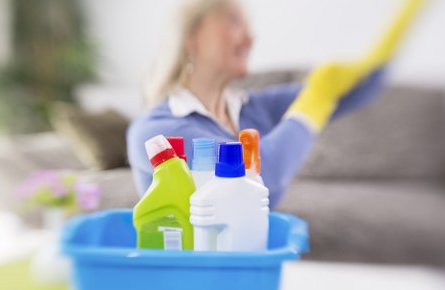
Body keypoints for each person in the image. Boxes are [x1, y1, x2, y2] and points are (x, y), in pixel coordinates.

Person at [127, 0, 385, 208]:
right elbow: (260, 174)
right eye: (235, 21)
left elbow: (358, 91)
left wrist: (396, 31)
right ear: (191, 36)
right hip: (188, 271)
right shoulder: (157, 134)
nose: (251, 40)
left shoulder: (254, 107)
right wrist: (315, 99)